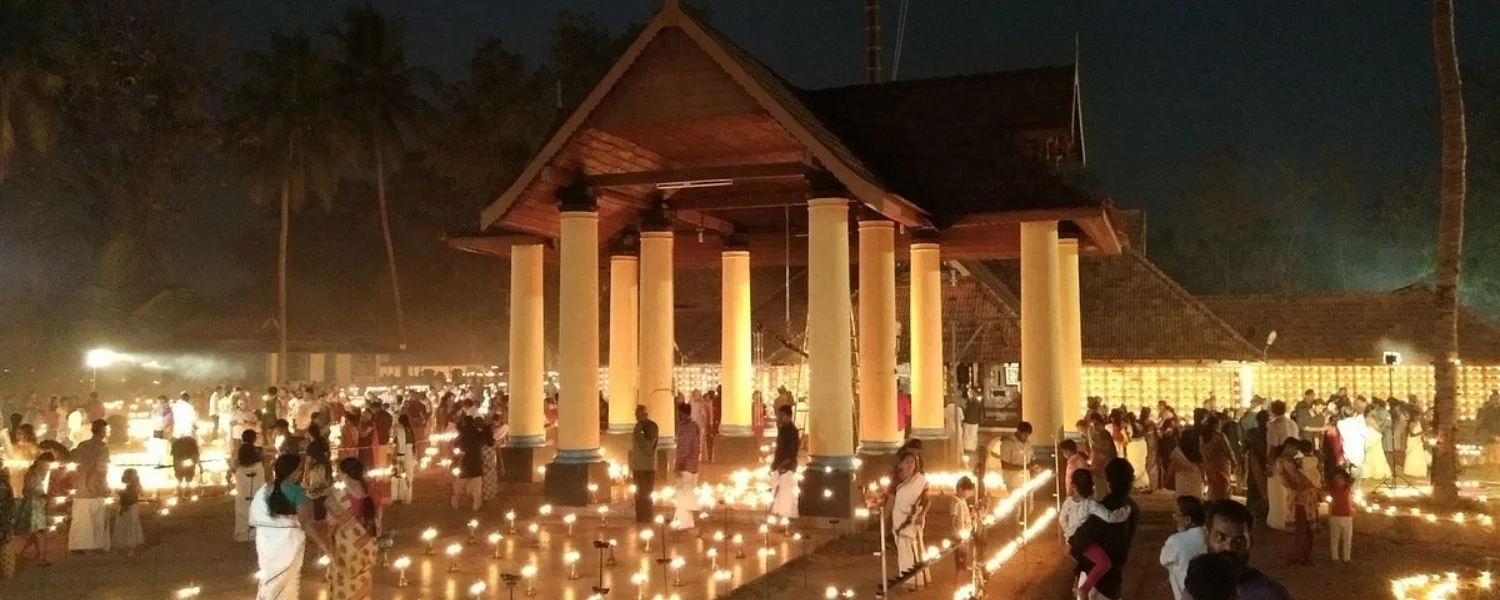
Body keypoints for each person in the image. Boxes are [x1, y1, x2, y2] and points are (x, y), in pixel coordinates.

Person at [252, 454, 329, 600]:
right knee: (287, 584)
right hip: (288, 546)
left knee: (270, 579)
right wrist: (323, 545)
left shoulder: (265, 490)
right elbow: (304, 522)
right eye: (299, 469)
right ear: (293, 471)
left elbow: (256, 517)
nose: (301, 472)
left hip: (266, 544)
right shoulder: (298, 492)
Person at [1061, 469, 1133, 600]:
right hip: (1084, 542)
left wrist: (1068, 537)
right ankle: (1084, 589)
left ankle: (1080, 587)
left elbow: (1062, 519)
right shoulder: (1090, 505)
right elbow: (1109, 517)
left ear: (1073, 486)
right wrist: (1124, 513)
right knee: (1104, 564)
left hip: (1074, 542)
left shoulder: (1068, 502)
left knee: (1083, 566)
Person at [1202, 499, 1293, 599]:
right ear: (1207, 536)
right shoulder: (1196, 587)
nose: (1229, 547)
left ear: (1249, 542)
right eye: (1221, 538)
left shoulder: (1269, 594)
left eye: (1238, 541)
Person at [1084, 459, 1140, 600]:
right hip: (1113, 573)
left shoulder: (1101, 507)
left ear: (1108, 480)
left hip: (1094, 575)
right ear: (1131, 481)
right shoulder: (1131, 507)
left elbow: (1082, 540)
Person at [328, 458, 379, 600]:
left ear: (344, 474)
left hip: (346, 551)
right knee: (362, 586)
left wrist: (327, 545)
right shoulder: (374, 493)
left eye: (339, 472)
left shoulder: (339, 498)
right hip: (367, 549)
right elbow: (378, 522)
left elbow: (331, 523)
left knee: (344, 587)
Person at [68, 419, 111, 554]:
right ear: (103, 432)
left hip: (80, 488)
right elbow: (101, 468)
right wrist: (105, 486)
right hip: (95, 488)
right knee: (97, 518)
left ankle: (78, 546)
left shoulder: (82, 446)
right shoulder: (102, 448)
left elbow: (74, 461)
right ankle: (96, 545)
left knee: (80, 520)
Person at [890, 450, 929, 590]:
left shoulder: (920, 480)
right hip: (898, 518)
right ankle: (907, 580)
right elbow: (892, 500)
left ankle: (914, 581)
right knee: (903, 551)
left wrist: (921, 514)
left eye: (913, 461)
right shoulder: (897, 480)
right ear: (900, 464)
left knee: (913, 550)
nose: (910, 464)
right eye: (907, 461)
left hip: (912, 520)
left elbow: (927, 500)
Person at [1159, 495, 1208, 600]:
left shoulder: (1176, 540)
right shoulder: (1209, 536)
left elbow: (1164, 560)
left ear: (1187, 519)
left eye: (1176, 514)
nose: (1173, 517)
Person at [1276, 439, 1316, 566]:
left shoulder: (1281, 461)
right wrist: (1311, 484)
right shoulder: (1287, 461)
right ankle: (1302, 556)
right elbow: (1297, 480)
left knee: (1296, 528)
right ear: (1289, 447)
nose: (1295, 452)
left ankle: (1293, 556)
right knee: (1302, 528)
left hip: (1293, 498)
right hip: (1300, 499)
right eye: (1294, 449)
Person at [15, 452, 55, 567]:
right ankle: (41, 557)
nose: (48, 467)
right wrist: (43, 495)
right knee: (38, 531)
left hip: (37, 503)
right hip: (34, 504)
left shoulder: (38, 473)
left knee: (35, 531)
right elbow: (30, 489)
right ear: (42, 462)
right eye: (48, 464)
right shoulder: (34, 474)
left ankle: (29, 553)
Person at [629, 405, 659, 524]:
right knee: (641, 494)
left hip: (645, 467)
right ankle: (642, 517)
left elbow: (648, 446)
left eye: (640, 414)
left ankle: (646, 517)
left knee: (645, 493)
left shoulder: (650, 427)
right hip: (640, 466)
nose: (638, 417)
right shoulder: (641, 427)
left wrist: (640, 431)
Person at [673, 402, 701, 529]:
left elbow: (684, 448)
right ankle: (686, 521)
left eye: (678, 413)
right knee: (685, 493)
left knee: (683, 494)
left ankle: (683, 523)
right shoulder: (692, 426)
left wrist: (679, 465)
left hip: (686, 466)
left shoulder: (687, 428)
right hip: (691, 465)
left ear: (682, 414)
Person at [985, 421, 1032, 498]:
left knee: (1028, 506)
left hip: (1026, 481)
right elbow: (1005, 465)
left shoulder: (1028, 444)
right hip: (1012, 482)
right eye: (1024, 435)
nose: (1026, 438)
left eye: (1028, 436)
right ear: (1019, 431)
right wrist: (1023, 467)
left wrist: (1034, 466)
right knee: (1015, 507)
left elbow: (1032, 458)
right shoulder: (1007, 443)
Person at [235, 430, 267, 542]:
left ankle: (244, 532)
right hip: (256, 485)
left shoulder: (240, 452)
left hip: (243, 487)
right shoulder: (258, 452)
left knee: (244, 508)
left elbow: (236, 465)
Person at [769, 404, 799, 519]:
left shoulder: (792, 432)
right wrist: (774, 465)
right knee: (778, 496)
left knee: (786, 497)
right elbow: (779, 449)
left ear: (789, 416)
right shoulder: (782, 430)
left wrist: (781, 466)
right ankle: (780, 519)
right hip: (779, 466)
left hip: (787, 467)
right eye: (779, 415)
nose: (779, 418)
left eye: (782, 416)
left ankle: (786, 520)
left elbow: (791, 453)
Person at [451, 417, 484, 511]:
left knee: (461, 484)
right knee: (477, 486)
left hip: (465, 461)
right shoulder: (477, 433)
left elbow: (457, 447)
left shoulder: (463, 434)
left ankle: (455, 501)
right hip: (476, 461)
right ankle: (476, 505)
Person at [1200, 414, 1236, 500]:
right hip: (1221, 466)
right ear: (1216, 425)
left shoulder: (1202, 438)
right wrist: (1234, 461)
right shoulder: (1220, 436)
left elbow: (1202, 452)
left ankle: (1213, 506)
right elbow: (1228, 451)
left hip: (1209, 466)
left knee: (1213, 488)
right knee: (1223, 489)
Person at [112, 469, 145, 556]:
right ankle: (127, 547)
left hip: (128, 507)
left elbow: (128, 496)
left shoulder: (132, 486)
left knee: (126, 526)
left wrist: (119, 493)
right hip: (130, 507)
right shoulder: (134, 485)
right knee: (129, 527)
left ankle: (127, 547)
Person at [1326, 467, 1354, 563]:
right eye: (1337, 478)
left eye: (1341, 478)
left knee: (1347, 538)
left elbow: (1350, 500)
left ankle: (1347, 557)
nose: (1339, 480)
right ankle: (1335, 557)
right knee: (1335, 538)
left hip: (1347, 516)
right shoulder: (1331, 489)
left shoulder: (1347, 488)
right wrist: (1329, 515)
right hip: (1335, 516)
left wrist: (1352, 510)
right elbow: (1330, 503)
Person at [1170, 426, 1204, 501]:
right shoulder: (1196, 450)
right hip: (1195, 476)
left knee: (1182, 495)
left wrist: (1168, 476)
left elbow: (1172, 465)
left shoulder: (1177, 451)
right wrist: (1203, 477)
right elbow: (1201, 465)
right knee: (1195, 496)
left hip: (1181, 476)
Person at [952, 477, 976, 571]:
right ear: (961, 489)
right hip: (959, 533)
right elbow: (953, 519)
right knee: (960, 550)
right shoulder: (955, 502)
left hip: (965, 531)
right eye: (968, 491)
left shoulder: (963, 501)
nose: (970, 494)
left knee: (965, 550)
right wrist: (956, 532)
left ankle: (964, 565)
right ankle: (960, 567)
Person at [390, 414, 416, 504]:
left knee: (399, 475)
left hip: (401, 453)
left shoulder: (399, 429)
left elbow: (397, 443)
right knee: (409, 475)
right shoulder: (410, 430)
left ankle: (398, 496)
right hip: (410, 453)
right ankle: (407, 497)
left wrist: (394, 455)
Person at [1403, 405, 1431, 478]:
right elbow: (1412, 434)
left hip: (1418, 441)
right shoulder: (1412, 423)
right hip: (1413, 441)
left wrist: (1423, 437)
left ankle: (1419, 471)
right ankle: (1411, 470)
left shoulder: (1419, 423)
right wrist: (1421, 433)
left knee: (1419, 455)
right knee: (1412, 455)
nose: (1420, 417)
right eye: (1419, 415)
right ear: (1415, 416)